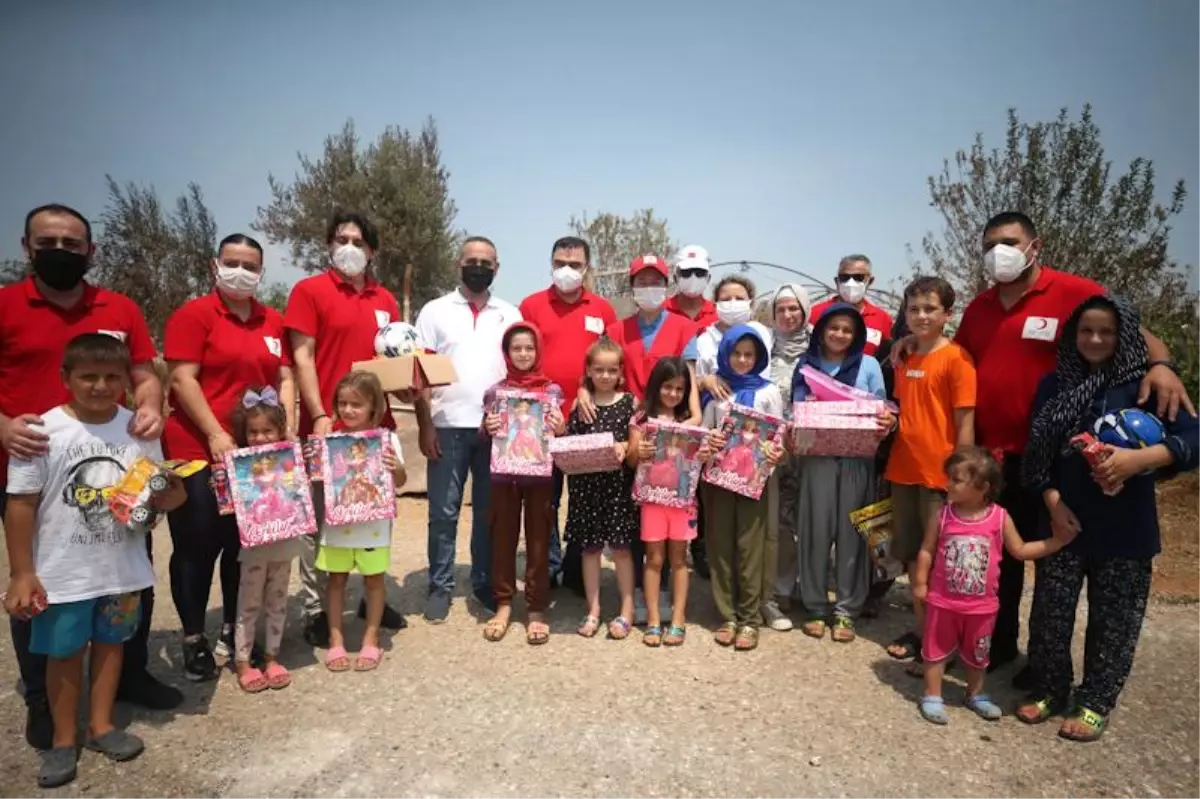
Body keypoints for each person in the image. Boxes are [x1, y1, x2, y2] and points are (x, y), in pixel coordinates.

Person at [946, 210, 1191, 684]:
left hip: (1052, 459)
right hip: (993, 457)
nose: (1000, 251)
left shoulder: (1074, 292)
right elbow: (957, 358)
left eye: (1010, 241)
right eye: (990, 244)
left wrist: (1161, 365)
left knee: (1048, 558)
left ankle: (1047, 664)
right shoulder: (979, 307)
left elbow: (1126, 330)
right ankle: (997, 646)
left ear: (1035, 246)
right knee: (998, 557)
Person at [0, 204, 180, 751]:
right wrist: (3, 426)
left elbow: (145, 372)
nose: (61, 250)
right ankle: (42, 698)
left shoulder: (118, 307)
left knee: (124, 571)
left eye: (72, 243)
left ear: (90, 251)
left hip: (117, 463)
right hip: (29, 465)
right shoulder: (5, 305)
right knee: (40, 584)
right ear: (28, 247)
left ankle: (126, 674)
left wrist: (149, 407)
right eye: (48, 241)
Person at [3, 334, 188, 788]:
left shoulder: (139, 429)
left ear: (128, 381)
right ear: (66, 378)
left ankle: (101, 726)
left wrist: (169, 490)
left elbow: (168, 496)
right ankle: (64, 740)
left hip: (122, 573)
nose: (100, 386)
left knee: (111, 646)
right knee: (63, 655)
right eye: (88, 376)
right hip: (64, 575)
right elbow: (21, 504)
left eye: (111, 377)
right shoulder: (41, 431)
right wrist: (23, 572)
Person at [1019, 294, 1200, 741]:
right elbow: (1036, 457)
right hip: (1063, 525)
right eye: (1085, 330)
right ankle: (1049, 687)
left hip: (1125, 530)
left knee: (1114, 621)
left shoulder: (1147, 386)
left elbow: (1194, 436)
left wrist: (1144, 460)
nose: (1095, 339)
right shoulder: (1055, 384)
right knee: (1049, 615)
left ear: (1125, 338)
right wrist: (1052, 502)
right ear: (1071, 335)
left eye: (1107, 331)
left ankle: (1096, 700)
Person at [162, 233, 294, 680]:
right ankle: (193, 636)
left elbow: (285, 379)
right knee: (198, 544)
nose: (242, 271)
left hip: (255, 457)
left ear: (261, 271)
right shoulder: (194, 315)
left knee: (244, 546)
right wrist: (217, 434)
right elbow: (182, 379)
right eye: (232, 261)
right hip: (198, 449)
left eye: (251, 265)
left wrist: (285, 429)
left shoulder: (272, 321)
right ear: (215, 264)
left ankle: (236, 632)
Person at [284, 211, 406, 646]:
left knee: (374, 514)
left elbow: (393, 365)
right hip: (327, 429)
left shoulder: (386, 300)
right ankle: (318, 608)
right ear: (329, 244)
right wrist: (317, 414)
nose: (349, 247)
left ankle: (371, 594)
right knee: (320, 524)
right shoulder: (308, 292)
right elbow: (302, 358)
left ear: (372, 251)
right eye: (341, 239)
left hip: (375, 430)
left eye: (358, 240)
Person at [912, 448, 1076, 726]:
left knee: (979, 653)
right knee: (934, 649)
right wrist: (919, 583)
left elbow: (1021, 550)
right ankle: (932, 694)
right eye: (949, 478)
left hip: (982, 607)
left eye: (956, 480)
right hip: (943, 601)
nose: (948, 484)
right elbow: (927, 550)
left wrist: (1056, 542)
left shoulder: (999, 518)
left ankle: (975, 693)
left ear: (983, 488)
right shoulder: (943, 515)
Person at [413, 236, 522, 623]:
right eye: (471, 260)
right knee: (443, 513)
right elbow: (418, 374)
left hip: (495, 430)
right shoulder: (434, 311)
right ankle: (439, 587)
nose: (479, 266)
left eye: (486, 261)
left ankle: (483, 583)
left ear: (497, 268)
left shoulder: (510, 313)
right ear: (458, 264)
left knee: (489, 514)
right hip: (446, 427)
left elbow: (520, 369)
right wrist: (425, 425)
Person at [882, 277, 976, 670]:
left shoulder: (958, 360)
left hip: (941, 480)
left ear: (947, 314)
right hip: (904, 471)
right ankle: (925, 634)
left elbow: (965, 422)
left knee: (937, 564)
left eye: (930, 309)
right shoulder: (904, 357)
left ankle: (942, 645)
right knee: (910, 559)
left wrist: (965, 479)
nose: (921, 316)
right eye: (914, 309)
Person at [789, 304, 894, 643]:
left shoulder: (869, 366)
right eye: (833, 327)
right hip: (816, 459)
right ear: (820, 329)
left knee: (851, 535)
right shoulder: (805, 365)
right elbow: (797, 407)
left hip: (856, 461)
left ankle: (847, 609)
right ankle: (817, 606)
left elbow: (882, 409)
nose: (839, 335)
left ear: (858, 335)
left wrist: (886, 420)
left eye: (847, 330)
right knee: (815, 531)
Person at [518, 237, 617, 594]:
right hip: (539, 421)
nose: (567, 270)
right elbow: (520, 355)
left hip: (585, 418)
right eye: (560, 262)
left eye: (575, 264)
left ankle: (577, 568)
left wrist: (586, 389)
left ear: (587, 268)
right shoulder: (531, 305)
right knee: (545, 499)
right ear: (550, 263)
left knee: (583, 497)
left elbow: (608, 361)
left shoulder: (603, 309)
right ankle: (547, 567)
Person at [701, 326, 785, 651]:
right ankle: (727, 615)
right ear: (725, 354)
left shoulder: (768, 392)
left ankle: (749, 618)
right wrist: (709, 444)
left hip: (754, 481)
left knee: (751, 548)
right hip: (718, 480)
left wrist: (777, 452)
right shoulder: (716, 391)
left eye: (749, 354)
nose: (742, 360)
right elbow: (705, 433)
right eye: (736, 353)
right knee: (720, 546)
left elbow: (778, 435)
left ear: (759, 357)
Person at [480, 322, 564, 644]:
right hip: (504, 477)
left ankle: (536, 607)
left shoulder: (551, 391)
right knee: (502, 537)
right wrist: (487, 426)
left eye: (529, 347)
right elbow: (484, 434)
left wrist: (560, 426)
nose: (524, 354)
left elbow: (559, 435)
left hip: (541, 476)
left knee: (540, 538)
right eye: (517, 348)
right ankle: (503, 603)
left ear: (538, 350)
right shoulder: (496, 392)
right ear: (507, 353)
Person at [318, 372, 406, 672]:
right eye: (342, 403)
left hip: (374, 526)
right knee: (336, 580)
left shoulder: (388, 439)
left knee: (374, 581)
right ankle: (335, 640)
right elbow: (319, 479)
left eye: (356, 404)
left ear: (374, 406)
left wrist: (396, 468)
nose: (348, 410)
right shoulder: (330, 442)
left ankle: (371, 639)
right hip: (338, 523)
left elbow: (402, 480)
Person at [228, 387, 306, 693]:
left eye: (267, 431)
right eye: (253, 432)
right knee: (248, 604)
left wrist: (290, 442)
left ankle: (272, 656)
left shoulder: (290, 459)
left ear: (279, 431)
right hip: (254, 545)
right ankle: (244, 661)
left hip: (284, 541)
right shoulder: (240, 464)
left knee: (277, 600)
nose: (260, 438)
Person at [627, 357, 709, 647]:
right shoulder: (641, 419)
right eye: (667, 387)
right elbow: (631, 459)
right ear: (655, 386)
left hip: (682, 502)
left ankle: (678, 619)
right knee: (654, 560)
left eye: (679, 389)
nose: (673, 394)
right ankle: (652, 620)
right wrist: (641, 451)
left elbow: (698, 414)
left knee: (678, 560)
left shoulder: (688, 422)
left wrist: (690, 371)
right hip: (652, 501)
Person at [565, 338, 638, 640]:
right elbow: (569, 440)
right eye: (599, 370)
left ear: (621, 371)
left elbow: (636, 444)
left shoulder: (630, 403)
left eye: (611, 370)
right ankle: (593, 609)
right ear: (589, 371)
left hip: (618, 489)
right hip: (586, 489)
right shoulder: (580, 403)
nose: (605, 376)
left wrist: (624, 445)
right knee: (590, 549)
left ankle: (627, 609)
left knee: (621, 550)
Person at [765, 284, 811, 632]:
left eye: (794, 308)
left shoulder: (820, 348)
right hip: (775, 450)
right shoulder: (765, 348)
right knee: (778, 520)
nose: (787, 315)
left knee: (810, 519)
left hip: (811, 449)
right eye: (781, 309)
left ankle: (810, 589)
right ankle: (780, 588)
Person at [694, 275, 774, 397]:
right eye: (726, 299)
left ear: (750, 303)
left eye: (740, 299)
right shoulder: (704, 341)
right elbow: (693, 385)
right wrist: (704, 381)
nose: (733, 303)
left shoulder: (763, 333)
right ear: (715, 304)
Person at [809, 255, 894, 357]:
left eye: (858, 278)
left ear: (870, 281)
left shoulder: (882, 319)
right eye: (844, 278)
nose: (851, 283)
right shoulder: (815, 313)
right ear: (837, 281)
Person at [664, 244, 718, 331]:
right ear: (675, 278)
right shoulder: (661, 312)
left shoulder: (718, 314)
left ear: (708, 278)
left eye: (699, 272)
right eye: (686, 272)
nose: (693, 277)